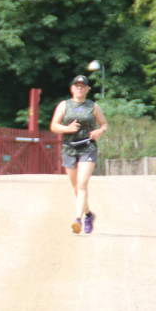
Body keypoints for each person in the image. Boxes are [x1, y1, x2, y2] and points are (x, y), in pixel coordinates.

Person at [49, 75, 108, 234]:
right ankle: (89, 215)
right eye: (77, 85)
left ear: (88, 89)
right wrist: (67, 129)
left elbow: (104, 124)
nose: (79, 88)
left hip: (87, 147)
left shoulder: (93, 106)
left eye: (83, 86)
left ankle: (78, 220)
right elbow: (54, 126)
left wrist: (100, 131)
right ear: (72, 88)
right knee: (76, 188)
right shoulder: (64, 105)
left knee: (82, 184)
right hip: (69, 148)